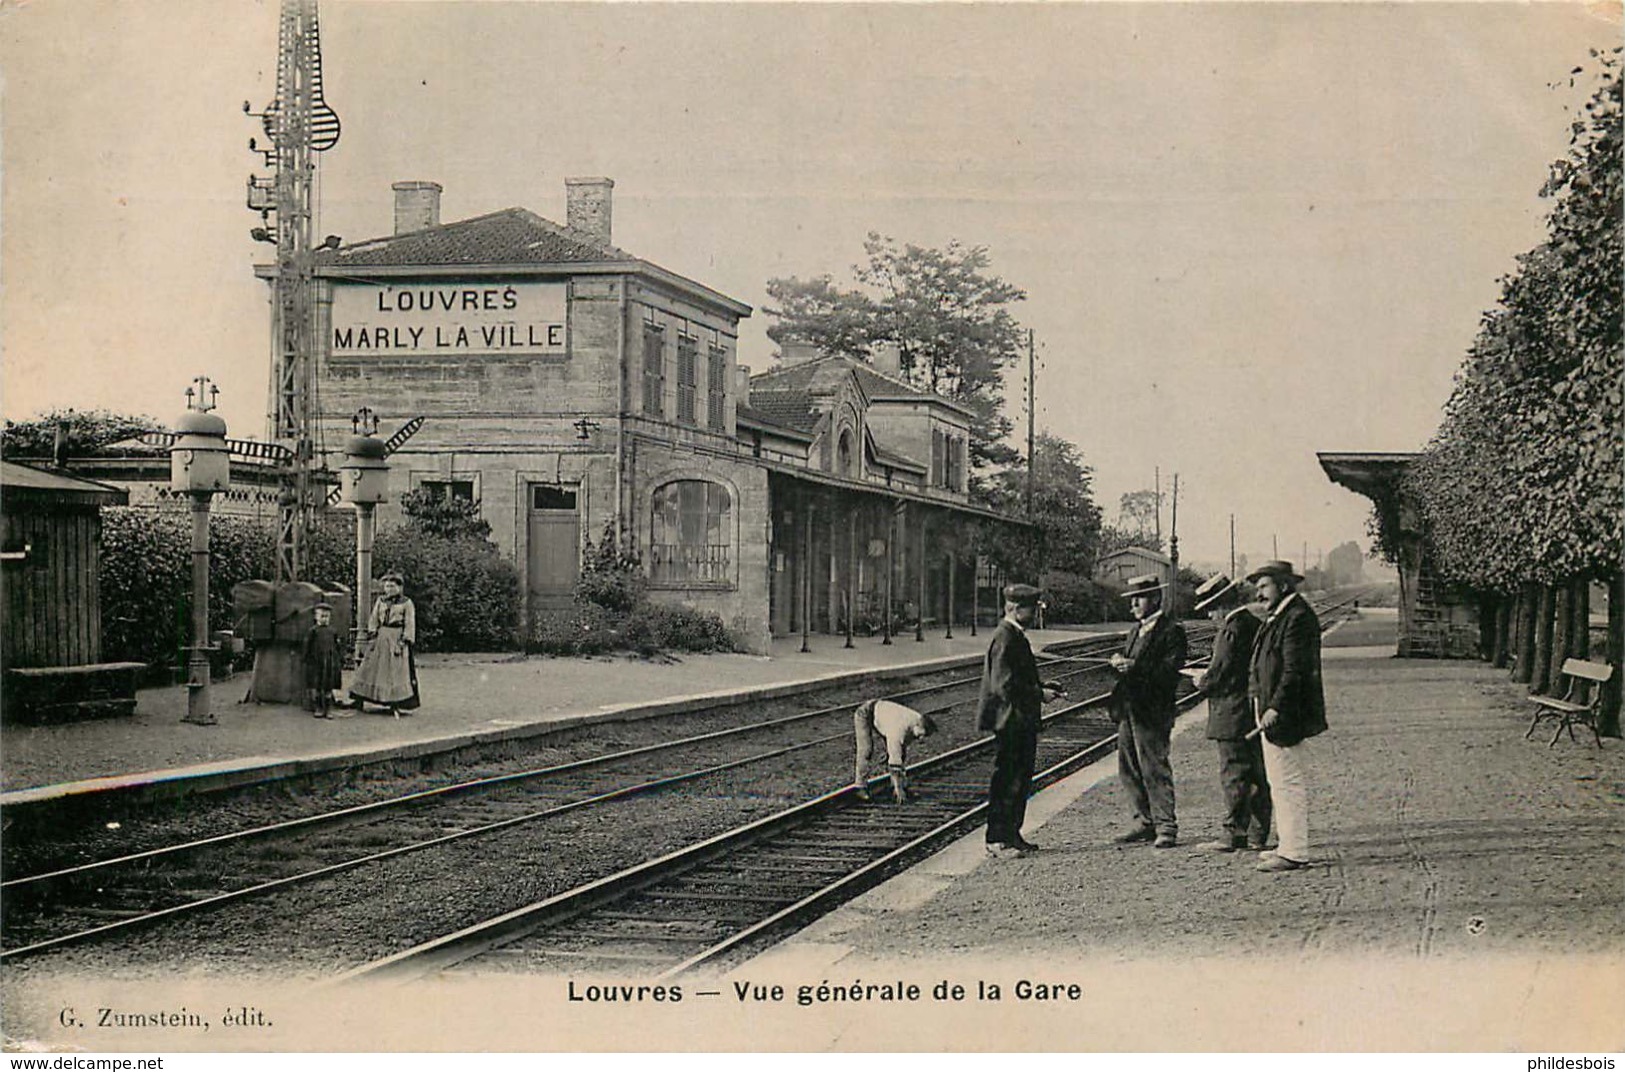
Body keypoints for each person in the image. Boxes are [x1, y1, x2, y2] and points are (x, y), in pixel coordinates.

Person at [1246, 560, 1327, 873]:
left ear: (1283, 585)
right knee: (1277, 781)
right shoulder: (1281, 615)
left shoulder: (1296, 617)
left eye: (1264, 585)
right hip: (1272, 711)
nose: (1259, 592)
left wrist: (1276, 707)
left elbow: (1293, 671)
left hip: (1286, 714)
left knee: (1287, 781)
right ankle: (1286, 845)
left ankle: (1294, 852)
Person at [978, 583, 1065, 859]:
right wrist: (1040, 694)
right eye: (1030, 609)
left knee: (1019, 779)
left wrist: (1042, 685)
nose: (1034, 614)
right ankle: (997, 839)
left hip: (1019, 719)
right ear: (1014, 609)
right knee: (1007, 779)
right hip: (1010, 721)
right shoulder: (1005, 637)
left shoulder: (1014, 635)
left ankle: (1012, 835)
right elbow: (1004, 685)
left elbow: (1017, 678)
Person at [1107, 574, 1188, 848]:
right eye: (1131, 600)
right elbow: (1133, 665)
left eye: (1138, 599)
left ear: (1155, 599)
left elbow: (1169, 672)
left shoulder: (1171, 631)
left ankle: (1166, 825)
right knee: (1128, 766)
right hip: (1130, 708)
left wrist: (1134, 667)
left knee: (1154, 766)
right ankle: (1144, 821)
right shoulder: (1134, 631)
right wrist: (1119, 662)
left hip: (1153, 710)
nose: (1133, 605)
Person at [1191, 573, 1268, 852]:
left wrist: (1202, 681)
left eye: (1211, 608)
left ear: (1222, 605)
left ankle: (1233, 833)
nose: (1211, 615)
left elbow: (1220, 672)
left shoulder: (1230, 629)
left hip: (1231, 711)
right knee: (1257, 772)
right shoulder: (1255, 624)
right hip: (1250, 709)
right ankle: (1260, 834)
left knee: (1233, 772)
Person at [350, 572, 422, 716]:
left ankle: (394, 703)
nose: (389, 589)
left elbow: (409, 623)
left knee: (394, 672)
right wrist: (372, 633)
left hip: (396, 638)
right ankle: (359, 700)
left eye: (392, 586)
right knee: (369, 668)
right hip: (381, 637)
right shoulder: (380, 601)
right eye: (387, 586)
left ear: (400, 587)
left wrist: (404, 641)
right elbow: (374, 618)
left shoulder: (406, 603)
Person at [851, 699, 938, 804]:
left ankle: (897, 786)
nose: (921, 739)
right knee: (866, 751)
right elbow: (895, 762)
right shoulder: (899, 730)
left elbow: (901, 752)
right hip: (866, 713)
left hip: (884, 716)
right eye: (921, 735)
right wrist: (898, 789)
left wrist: (901, 785)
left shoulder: (917, 720)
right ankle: (860, 787)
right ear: (917, 726)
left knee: (900, 753)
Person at [303, 602, 349, 719]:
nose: (324, 619)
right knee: (317, 686)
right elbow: (307, 646)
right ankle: (318, 707)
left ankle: (328, 709)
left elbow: (337, 646)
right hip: (316, 662)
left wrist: (340, 658)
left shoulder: (333, 631)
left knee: (328, 686)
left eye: (327, 616)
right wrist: (306, 658)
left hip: (329, 662)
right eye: (322, 616)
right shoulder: (313, 631)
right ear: (316, 617)